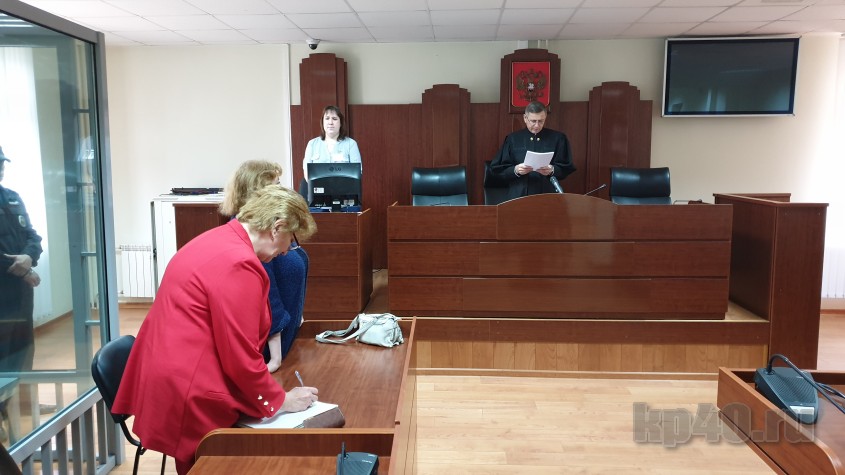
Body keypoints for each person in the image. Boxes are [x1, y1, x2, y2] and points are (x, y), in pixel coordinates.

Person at [113, 185, 319, 475]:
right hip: (192, 389)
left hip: (173, 376)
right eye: (291, 240)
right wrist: (281, 400)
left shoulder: (219, 238)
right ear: (277, 228)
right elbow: (240, 356)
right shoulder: (240, 264)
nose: (287, 251)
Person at [219, 160, 309, 373]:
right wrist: (275, 359)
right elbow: (269, 298)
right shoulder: (255, 235)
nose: (281, 190)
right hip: (271, 348)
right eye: (275, 185)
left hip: (286, 335)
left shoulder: (273, 225)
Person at [0, 146, 42, 444]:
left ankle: (13, 407)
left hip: (21, 296)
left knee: (23, 351)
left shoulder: (12, 197)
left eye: (1, 163)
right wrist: (23, 271)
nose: (0, 168)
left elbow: (33, 237)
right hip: (2, 294)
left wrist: (29, 257)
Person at [490, 101, 576, 200]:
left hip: (547, 195)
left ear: (545, 117)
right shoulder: (512, 139)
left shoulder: (558, 138)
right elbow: (497, 169)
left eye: (541, 121)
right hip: (519, 195)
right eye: (533, 121)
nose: (537, 125)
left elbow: (566, 167)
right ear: (525, 118)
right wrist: (516, 170)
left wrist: (552, 170)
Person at [302, 105, 362, 177]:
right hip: (318, 184)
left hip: (343, 184)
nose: (330, 122)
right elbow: (307, 172)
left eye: (334, 119)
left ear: (341, 123)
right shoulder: (312, 144)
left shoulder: (351, 144)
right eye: (327, 118)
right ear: (322, 122)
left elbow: (357, 173)